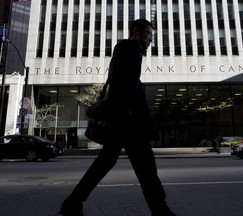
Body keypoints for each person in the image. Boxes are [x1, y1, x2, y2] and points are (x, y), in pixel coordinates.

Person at [59, 19, 176, 216]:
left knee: (108, 162)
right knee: (145, 166)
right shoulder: (127, 47)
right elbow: (121, 82)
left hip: (125, 119)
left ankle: (72, 204)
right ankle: (160, 210)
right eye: (148, 35)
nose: (150, 40)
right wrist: (131, 110)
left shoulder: (132, 50)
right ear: (137, 32)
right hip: (128, 121)